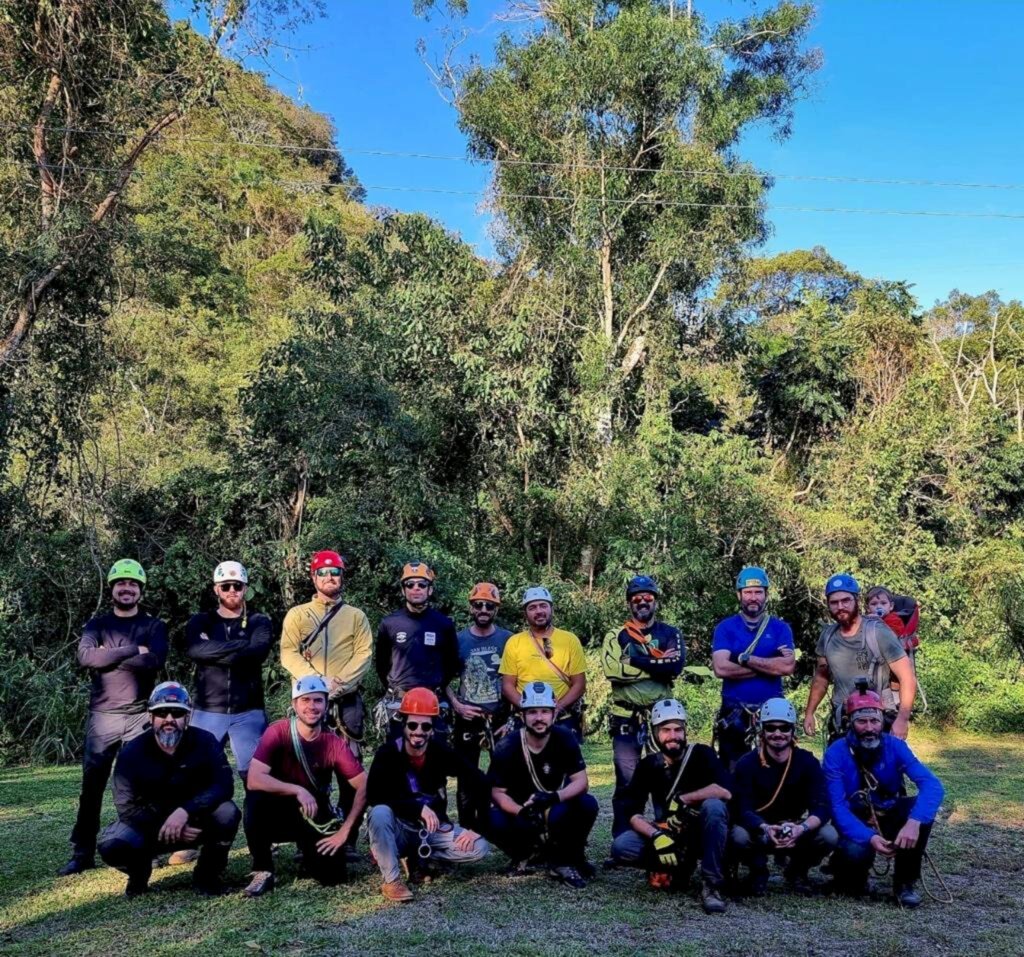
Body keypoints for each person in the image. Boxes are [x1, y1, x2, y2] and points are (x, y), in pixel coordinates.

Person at [59, 559, 169, 877]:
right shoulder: (97, 624)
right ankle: (82, 853)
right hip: (102, 718)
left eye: (133, 584)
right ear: (112, 589)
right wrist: (133, 649)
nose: (126, 588)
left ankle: (147, 846)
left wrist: (109, 655)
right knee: (91, 787)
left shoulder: (154, 626)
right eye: (121, 583)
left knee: (144, 786)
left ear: (140, 590)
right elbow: (86, 657)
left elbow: (154, 662)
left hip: (139, 717)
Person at [97, 682, 240, 897]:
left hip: (196, 821)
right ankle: (139, 872)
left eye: (177, 713)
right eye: (162, 712)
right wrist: (166, 823)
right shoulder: (131, 753)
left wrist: (185, 812)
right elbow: (126, 807)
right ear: (150, 716)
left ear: (188, 717)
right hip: (150, 826)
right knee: (112, 844)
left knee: (228, 813)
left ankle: (207, 875)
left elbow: (224, 785)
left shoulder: (206, 741)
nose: (170, 719)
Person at [242, 675, 368, 897]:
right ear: (294, 705)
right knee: (254, 801)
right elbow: (254, 778)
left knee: (334, 876)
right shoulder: (278, 732)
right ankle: (262, 868)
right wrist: (297, 790)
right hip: (277, 810)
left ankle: (310, 856)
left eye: (318, 700)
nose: (312, 706)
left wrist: (345, 832)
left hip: (313, 813)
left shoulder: (334, 743)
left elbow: (364, 786)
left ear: (326, 704)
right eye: (305, 700)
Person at [281, 550, 372, 845]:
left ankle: (348, 838)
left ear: (342, 577)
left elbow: (363, 654)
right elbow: (288, 653)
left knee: (350, 772)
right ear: (313, 577)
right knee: (305, 771)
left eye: (335, 572)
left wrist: (338, 685)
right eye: (323, 572)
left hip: (347, 703)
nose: (329, 577)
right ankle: (306, 835)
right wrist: (318, 685)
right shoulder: (298, 615)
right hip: (308, 703)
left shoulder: (356, 617)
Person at [365, 688, 490, 902]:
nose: (418, 731)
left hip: (431, 830)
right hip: (400, 827)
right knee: (379, 813)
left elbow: (478, 778)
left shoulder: (440, 751)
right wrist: (417, 808)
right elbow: (374, 795)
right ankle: (392, 879)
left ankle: (418, 857)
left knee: (480, 847)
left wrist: (476, 827)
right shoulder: (387, 754)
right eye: (412, 725)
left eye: (426, 726)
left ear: (432, 729)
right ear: (403, 724)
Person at [823, 687, 944, 907]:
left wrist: (914, 822)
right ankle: (851, 875)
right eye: (861, 721)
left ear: (882, 721)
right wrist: (869, 837)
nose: (869, 728)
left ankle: (905, 884)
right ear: (849, 722)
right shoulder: (835, 753)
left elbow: (932, 786)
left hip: (889, 811)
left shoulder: (896, 746)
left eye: (874, 721)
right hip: (855, 818)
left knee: (918, 810)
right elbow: (837, 807)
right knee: (853, 870)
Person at [610, 698, 731, 914]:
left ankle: (712, 884)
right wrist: (656, 836)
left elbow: (724, 791)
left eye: (678, 729)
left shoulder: (702, 754)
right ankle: (676, 866)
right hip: (671, 835)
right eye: (665, 730)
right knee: (622, 846)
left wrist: (685, 799)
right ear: (655, 732)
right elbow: (632, 812)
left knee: (714, 807)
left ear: (685, 731)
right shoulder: (649, 765)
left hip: (703, 833)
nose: (673, 736)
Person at [487, 681, 599, 888]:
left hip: (551, 803)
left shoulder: (564, 737)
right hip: (522, 810)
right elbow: (497, 793)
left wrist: (554, 797)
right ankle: (525, 853)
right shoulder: (507, 745)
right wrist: (521, 811)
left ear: (554, 714)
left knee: (586, 804)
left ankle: (569, 857)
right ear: (522, 715)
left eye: (545, 711)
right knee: (492, 818)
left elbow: (581, 782)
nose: (539, 718)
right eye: (532, 712)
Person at [601, 574, 684, 838]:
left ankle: (668, 833)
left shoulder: (670, 633)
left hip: (662, 718)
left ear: (656, 601)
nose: (642, 602)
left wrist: (634, 661)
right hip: (626, 716)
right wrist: (656, 668)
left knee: (667, 776)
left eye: (648, 597)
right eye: (636, 598)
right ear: (629, 603)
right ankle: (623, 839)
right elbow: (612, 670)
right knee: (626, 780)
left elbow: (675, 666)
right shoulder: (617, 635)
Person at [730, 697, 838, 895]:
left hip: (795, 828)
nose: (777, 733)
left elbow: (822, 806)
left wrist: (801, 827)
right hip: (760, 829)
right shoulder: (747, 763)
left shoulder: (807, 762)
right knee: (738, 835)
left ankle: (797, 871)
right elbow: (741, 808)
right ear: (762, 730)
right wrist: (764, 827)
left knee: (828, 835)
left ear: (792, 730)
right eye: (771, 728)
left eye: (784, 728)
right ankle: (757, 871)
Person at [185, 561, 272, 786]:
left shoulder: (259, 621)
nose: (231, 590)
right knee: (198, 774)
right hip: (207, 710)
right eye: (225, 586)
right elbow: (195, 650)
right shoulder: (200, 621)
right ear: (216, 589)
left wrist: (211, 649)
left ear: (245, 588)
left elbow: (257, 653)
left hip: (248, 711)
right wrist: (240, 644)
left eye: (237, 585)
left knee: (255, 777)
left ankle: (255, 821)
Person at [804, 574, 916, 744]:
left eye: (846, 600)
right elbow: (821, 678)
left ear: (856, 601)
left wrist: (902, 719)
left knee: (884, 770)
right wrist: (810, 713)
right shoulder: (827, 636)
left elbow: (907, 676)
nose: (840, 606)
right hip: (843, 719)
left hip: (879, 719)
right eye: (834, 602)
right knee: (839, 769)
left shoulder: (878, 632)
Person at [711, 566, 796, 771]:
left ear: (766, 595)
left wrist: (743, 659)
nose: (753, 597)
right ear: (739, 595)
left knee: (776, 766)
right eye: (748, 592)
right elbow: (721, 668)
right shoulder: (726, 628)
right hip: (734, 709)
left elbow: (787, 666)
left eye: (758, 592)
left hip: (772, 708)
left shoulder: (780, 628)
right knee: (732, 769)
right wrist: (768, 664)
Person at [447, 582, 513, 830]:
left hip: (500, 718)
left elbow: (517, 679)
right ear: (471, 608)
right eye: (478, 605)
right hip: (468, 716)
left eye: (489, 605)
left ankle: (503, 829)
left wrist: (512, 717)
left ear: (496, 609)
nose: (483, 609)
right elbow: (442, 679)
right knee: (466, 777)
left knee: (506, 776)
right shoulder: (459, 640)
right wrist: (456, 705)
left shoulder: (508, 639)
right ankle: (466, 831)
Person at [375, 561, 460, 744]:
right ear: (403, 589)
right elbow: (381, 664)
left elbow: (451, 663)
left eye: (422, 584)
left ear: (430, 590)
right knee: (397, 761)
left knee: (435, 762)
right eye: (410, 584)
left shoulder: (443, 624)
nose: (416, 589)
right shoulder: (389, 623)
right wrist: (397, 688)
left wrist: (436, 686)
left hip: (433, 701)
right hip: (399, 701)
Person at [499, 587, 587, 739]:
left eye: (543, 605)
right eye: (532, 607)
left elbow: (579, 684)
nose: (539, 611)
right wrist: (529, 709)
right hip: (525, 717)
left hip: (562, 717)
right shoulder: (515, 642)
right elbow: (507, 685)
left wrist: (557, 707)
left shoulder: (569, 640)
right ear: (525, 613)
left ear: (551, 608)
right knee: (523, 761)